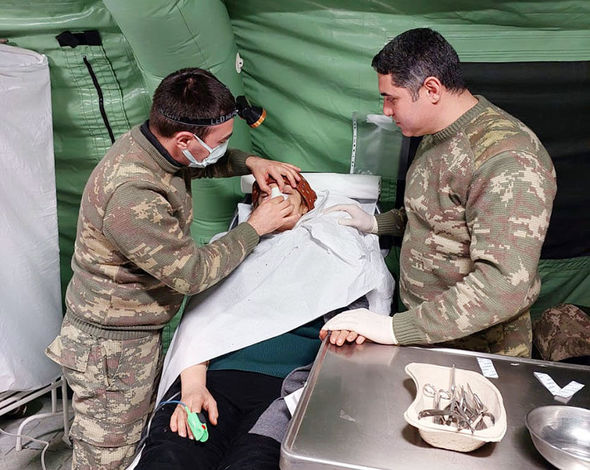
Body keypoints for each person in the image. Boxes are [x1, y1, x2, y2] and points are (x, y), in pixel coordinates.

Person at [45, 67, 303, 470]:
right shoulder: (132, 195)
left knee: (137, 443)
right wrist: (256, 226)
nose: (223, 149)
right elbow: (193, 274)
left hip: (136, 335)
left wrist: (251, 161)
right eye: (221, 142)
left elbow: (202, 163)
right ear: (185, 139)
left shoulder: (158, 145)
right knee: (107, 457)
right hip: (111, 349)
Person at [323, 28, 557, 358]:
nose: (386, 110)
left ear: (431, 89)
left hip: (478, 350)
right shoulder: (436, 132)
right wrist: (375, 224)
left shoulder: (508, 159)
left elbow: (503, 286)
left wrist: (394, 329)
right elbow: (436, 213)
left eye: (392, 98)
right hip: (425, 334)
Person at [134, 176, 393, 470]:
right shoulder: (227, 248)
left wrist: (351, 326)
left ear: (307, 205)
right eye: (265, 196)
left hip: (285, 392)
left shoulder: (338, 247)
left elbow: (362, 308)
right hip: (212, 382)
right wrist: (193, 386)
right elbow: (198, 323)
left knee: (254, 462)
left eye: (288, 192)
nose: (276, 195)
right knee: (169, 456)